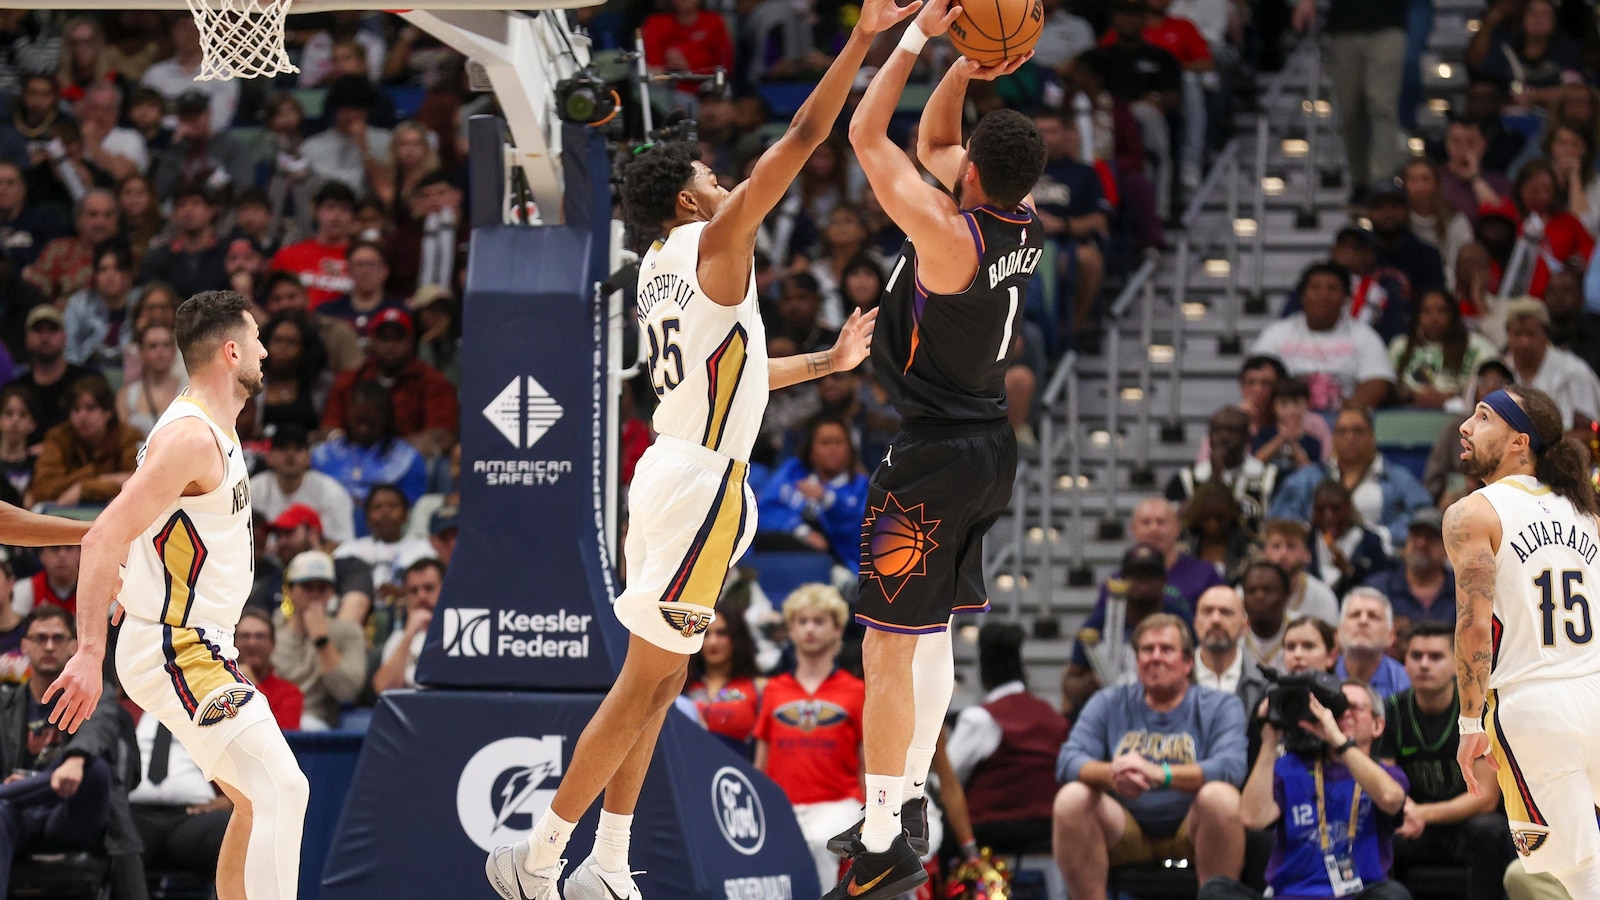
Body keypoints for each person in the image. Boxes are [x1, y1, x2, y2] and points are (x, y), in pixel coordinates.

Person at [483, 0, 907, 892]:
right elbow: (804, 135)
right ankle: (538, 856)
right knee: (642, 682)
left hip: (672, 472)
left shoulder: (657, 271)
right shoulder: (716, 241)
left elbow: (729, 376)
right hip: (699, 485)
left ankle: (608, 861)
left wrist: (825, 361)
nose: (725, 185)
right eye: (713, 178)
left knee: (663, 681)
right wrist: (863, 37)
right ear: (688, 200)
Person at [822, 2, 1048, 891]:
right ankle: (910, 796)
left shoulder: (947, 238)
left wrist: (917, 35)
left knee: (886, 644)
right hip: (987, 448)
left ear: (972, 175)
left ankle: (883, 831)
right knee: (933, 632)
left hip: (933, 455)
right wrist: (968, 63)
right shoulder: (1021, 218)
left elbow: (867, 135)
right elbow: (936, 139)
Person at [43, 289, 309, 900]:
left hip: (196, 640)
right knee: (283, 789)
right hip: (179, 644)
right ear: (232, 351)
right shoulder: (190, 437)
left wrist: (131, 573)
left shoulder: (206, 424)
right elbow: (104, 533)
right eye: (257, 339)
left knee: (251, 801)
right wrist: (88, 650)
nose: (266, 352)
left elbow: (145, 526)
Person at [1448, 384, 1600, 898]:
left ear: (1519, 441)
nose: (1465, 426)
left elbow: (1473, 625)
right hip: (1595, 688)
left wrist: (1470, 722)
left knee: (1578, 875)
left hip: (1534, 707)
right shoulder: (1587, 512)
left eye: (1483, 416)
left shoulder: (1474, 512)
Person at [1054, 614, 1248, 900]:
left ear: (1187, 662)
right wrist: (1113, 774)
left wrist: (1161, 774)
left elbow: (1231, 767)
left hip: (1192, 829)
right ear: (1137, 661)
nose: (1155, 657)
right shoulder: (1108, 701)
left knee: (1222, 797)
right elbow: (1068, 761)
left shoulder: (1221, 705)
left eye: (1166, 649)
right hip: (1124, 828)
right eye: (1147, 650)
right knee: (1071, 798)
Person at [1202, 679, 1410, 900]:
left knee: (1393, 895)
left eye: (1355, 707)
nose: (1344, 713)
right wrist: (1269, 743)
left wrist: (1339, 741)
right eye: (1338, 706)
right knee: (1215, 890)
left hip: (1357, 895)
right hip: (1290, 895)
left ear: (1378, 725)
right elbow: (1252, 818)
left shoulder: (1388, 775)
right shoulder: (1289, 768)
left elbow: (1390, 798)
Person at [0, 607, 135, 896]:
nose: (49, 646)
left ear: (74, 646)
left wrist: (75, 759)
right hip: (18, 813)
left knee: (95, 770)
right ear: (24, 646)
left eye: (58, 638)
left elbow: (98, 728)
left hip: (70, 814)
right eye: (40, 638)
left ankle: (14, 791)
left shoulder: (96, 694)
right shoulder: (6, 704)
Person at [1380, 621, 1514, 900]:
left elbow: (1485, 798)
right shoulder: (1392, 709)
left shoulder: (1478, 710)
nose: (1424, 664)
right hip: (1417, 827)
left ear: (1457, 664)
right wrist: (1410, 813)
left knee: (1488, 828)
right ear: (1405, 662)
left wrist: (1423, 813)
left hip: (1465, 826)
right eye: (1416, 656)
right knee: (1382, 830)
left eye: (1436, 656)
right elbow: (1386, 780)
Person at [753, 584, 865, 891]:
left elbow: (865, 762)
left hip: (839, 804)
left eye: (819, 621)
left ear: (837, 629)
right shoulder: (773, 689)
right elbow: (761, 761)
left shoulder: (856, 691)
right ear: (791, 630)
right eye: (802, 621)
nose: (810, 629)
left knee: (817, 843)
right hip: (781, 805)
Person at [947, 622, 1070, 855]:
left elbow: (947, 781)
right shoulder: (1052, 715)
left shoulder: (980, 718)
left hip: (992, 831)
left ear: (983, 670)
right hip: (1050, 827)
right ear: (1022, 669)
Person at [1270, 403, 1434, 548]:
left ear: (1372, 437)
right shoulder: (1308, 477)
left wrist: (1384, 535)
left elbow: (1424, 515)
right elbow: (1280, 516)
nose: (1349, 437)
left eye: (1358, 431)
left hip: (1378, 561)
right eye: (1342, 431)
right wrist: (1310, 536)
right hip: (1315, 560)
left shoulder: (1397, 478)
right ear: (1334, 438)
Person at [1065, 543, 1197, 712]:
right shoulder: (1099, 622)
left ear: (1164, 580)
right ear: (1123, 579)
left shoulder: (1180, 621)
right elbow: (1070, 683)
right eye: (1136, 574)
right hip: (1111, 710)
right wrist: (1094, 681)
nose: (1144, 580)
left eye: (1151, 574)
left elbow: (1198, 672)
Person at [1250, 263, 1394, 413]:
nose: (1323, 295)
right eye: (1315, 288)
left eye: (1332, 289)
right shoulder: (1277, 333)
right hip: (1285, 417)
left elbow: (1377, 383)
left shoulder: (1365, 335)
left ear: (1346, 298)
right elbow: (1254, 376)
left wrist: (1344, 415)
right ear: (1302, 296)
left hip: (1343, 420)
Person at [269, 550, 367, 729]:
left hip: (318, 724)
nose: (315, 594)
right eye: (307, 587)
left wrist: (322, 641)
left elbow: (348, 692)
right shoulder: (271, 630)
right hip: (272, 716)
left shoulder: (347, 632)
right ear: (290, 591)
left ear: (331, 592)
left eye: (322, 588)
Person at [30, 374, 143, 507]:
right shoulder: (58, 438)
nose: (82, 416)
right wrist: (92, 475)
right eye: (76, 409)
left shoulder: (128, 437)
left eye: (90, 408)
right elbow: (42, 490)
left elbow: (137, 484)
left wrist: (84, 488)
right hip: (65, 514)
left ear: (108, 412)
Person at [1165, 406, 1281, 533]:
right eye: (1217, 430)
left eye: (1232, 430)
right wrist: (1214, 477)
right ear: (1209, 437)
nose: (1224, 436)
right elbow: (1173, 520)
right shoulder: (1185, 479)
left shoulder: (1272, 476)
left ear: (1248, 437)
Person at [250, 424, 356, 546]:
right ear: (269, 457)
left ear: (309, 457)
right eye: (282, 448)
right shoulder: (253, 490)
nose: (290, 454)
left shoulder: (332, 492)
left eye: (298, 448)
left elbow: (342, 543)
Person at [681, 609, 764, 749]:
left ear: (737, 637)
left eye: (721, 633)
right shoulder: (680, 686)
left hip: (740, 761)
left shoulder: (760, 687)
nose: (713, 642)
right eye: (705, 634)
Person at [1363, 508, 1456, 634]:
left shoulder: (1463, 592)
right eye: (1416, 535)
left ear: (1447, 546)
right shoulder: (1378, 588)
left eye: (1430, 537)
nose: (1421, 543)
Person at [1192, 584, 1271, 718]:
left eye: (1226, 612)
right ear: (1195, 623)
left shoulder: (1265, 685)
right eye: (1207, 611)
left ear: (1245, 626)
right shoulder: (1173, 678)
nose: (1216, 619)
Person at [371, 557, 442, 695]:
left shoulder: (457, 635)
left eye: (429, 588)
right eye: (414, 591)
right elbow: (384, 689)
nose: (421, 596)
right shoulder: (399, 638)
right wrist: (410, 633)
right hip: (409, 706)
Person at [233, 608, 304, 732]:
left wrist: (253, 686)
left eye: (260, 636)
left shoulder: (290, 693)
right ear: (233, 643)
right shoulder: (217, 686)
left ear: (272, 644)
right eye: (245, 636)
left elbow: (285, 734)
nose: (252, 643)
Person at [1336, 588, 1411, 700]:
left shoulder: (1406, 683)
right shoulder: (1324, 672)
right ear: (1338, 632)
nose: (1363, 621)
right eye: (1355, 615)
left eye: (1373, 616)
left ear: (1390, 636)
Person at [11, 545, 79, 616]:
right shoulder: (26, 588)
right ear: (41, 555)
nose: (62, 555)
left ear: (80, 553)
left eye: (69, 548)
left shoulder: (87, 588)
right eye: (54, 548)